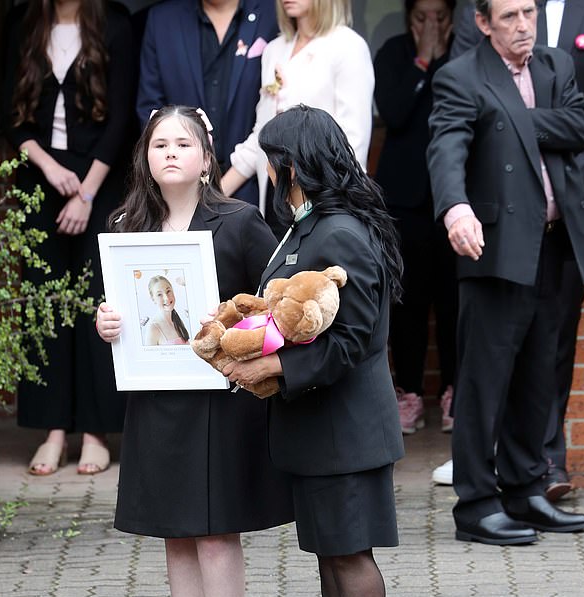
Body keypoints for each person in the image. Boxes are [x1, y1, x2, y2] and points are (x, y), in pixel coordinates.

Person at [96, 105, 294, 597]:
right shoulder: (129, 223)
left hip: (220, 404)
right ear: (146, 159)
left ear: (208, 158)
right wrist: (108, 322)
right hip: (157, 401)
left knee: (215, 533)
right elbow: (123, 305)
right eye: (160, 144)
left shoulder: (239, 223)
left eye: (185, 143)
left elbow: (277, 303)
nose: (172, 153)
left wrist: (240, 339)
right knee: (175, 535)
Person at [222, 105, 404, 597]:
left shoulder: (338, 234)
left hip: (345, 428)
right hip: (319, 428)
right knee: (330, 555)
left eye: (275, 162)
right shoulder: (310, 228)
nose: (271, 174)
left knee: (350, 556)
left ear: (295, 165)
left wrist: (277, 376)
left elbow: (351, 340)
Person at [427, 0, 584, 545]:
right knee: (484, 382)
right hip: (494, 249)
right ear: (482, 23)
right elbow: (447, 147)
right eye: (509, 17)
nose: (524, 25)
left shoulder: (554, 67)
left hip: (553, 246)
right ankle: (476, 504)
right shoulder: (460, 76)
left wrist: (510, 120)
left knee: (537, 377)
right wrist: (455, 208)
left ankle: (526, 490)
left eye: (528, 12)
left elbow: (583, 124)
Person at [3, 0, 135, 475]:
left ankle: (97, 432)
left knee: (98, 303)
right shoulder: (24, 21)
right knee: (46, 301)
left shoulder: (115, 23)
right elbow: (11, 114)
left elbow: (122, 118)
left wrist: (86, 193)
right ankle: (53, 428)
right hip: (43, 178)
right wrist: (50, 169)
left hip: (99, 182)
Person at [373, 0, 459, 437]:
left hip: (456, 199)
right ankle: (407, 393)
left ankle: (453, 392)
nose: (432, 24)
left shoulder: (465, 52)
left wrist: (441, 55)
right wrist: (424, 59)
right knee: (405, 301)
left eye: (440, 16)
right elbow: (393, 111)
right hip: (404, 199)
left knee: (454, 300)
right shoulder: (393, 52)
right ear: (409, 18)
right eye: (423, 16)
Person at [220, 0, 375, 225]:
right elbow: (261, 135)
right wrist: (215, 195)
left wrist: (338, 214)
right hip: (276, 197)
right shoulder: (274, 49)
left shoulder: (348, 45)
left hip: (324, 200)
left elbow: (353, 142)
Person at [136, 0, 279, 206]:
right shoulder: (162, 19)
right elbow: (150, 107)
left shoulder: (273, 12)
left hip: (255, 182)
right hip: (181, 189)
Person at [143, 276, 190, 347]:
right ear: (153, 299)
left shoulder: (177, 321)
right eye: (159, 295)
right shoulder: (153, 328)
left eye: (168, 291)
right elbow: (148, 358)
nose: (166, 298)